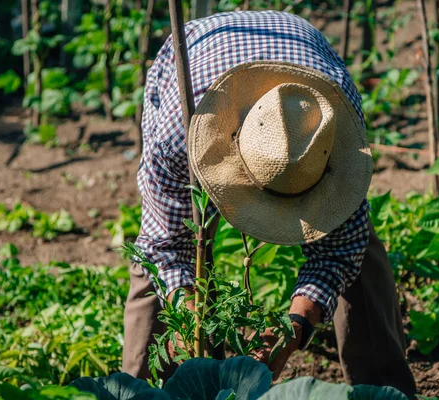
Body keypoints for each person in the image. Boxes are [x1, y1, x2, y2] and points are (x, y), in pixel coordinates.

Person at [122, 10, 416, 398]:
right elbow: (166, 247)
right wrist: (188, 315)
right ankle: (140, 387)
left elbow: (340, 250)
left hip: (304, 48)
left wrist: (295, 326)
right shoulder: (181, 134)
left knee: (354, 244)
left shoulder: (333, 124)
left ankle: (384, 387)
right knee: (164, 256)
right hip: (192, 62)